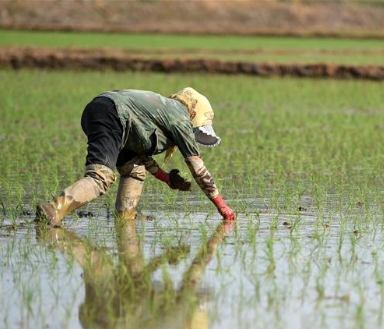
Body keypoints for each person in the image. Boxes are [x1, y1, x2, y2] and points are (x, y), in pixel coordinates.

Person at [35, 87, 235, 227]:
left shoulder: (162, 108)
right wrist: (223, 207)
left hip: (101, 111)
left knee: (135, 169)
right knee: (100, 178)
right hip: (112, 115)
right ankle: (53, 210)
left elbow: (140, 151)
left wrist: (166, 178)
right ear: (194, 113)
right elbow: (197, 168)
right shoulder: (180, 117)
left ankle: (125, 217)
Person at [36, 220, 234, 329]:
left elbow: (141, 282)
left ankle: (49, 233)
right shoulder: (163, 325)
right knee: (99, 265)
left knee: (96, 262)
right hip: (97, 327)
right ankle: (51, 235)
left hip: (109, 320)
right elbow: (140, 283)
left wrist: (216, 239)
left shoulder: (174, 319)